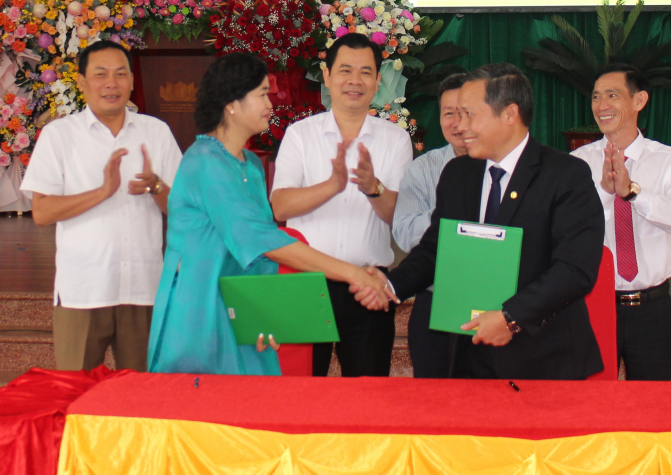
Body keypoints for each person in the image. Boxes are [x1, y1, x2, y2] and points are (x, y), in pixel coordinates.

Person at [147, 53, 397, 375]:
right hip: (202, 309)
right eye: (262, 94)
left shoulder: (249, 164)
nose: (270, 104)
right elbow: (263, 241)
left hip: (242, 310)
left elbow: (260, 257)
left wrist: (266, 316)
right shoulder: (205, 162)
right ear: (231, 104)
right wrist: (354, 273)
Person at [374, 63, 606, 380]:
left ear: (509, 114)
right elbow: (436, 249)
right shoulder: (458, 174)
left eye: (470, 115)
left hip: (544, 360)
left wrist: (511, 317)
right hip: (466, 356)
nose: (460, 126)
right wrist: (389, 286)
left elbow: (574, 270)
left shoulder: (566, 176)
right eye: (455, 115)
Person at [22, 41, 183, 372]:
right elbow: (42, 212)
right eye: (101, 74)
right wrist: (103, 191)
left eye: (121, 74)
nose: (112, 83)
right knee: (74, 397)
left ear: (132, 81)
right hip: (83, 289)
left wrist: (156, 186)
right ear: (81, 82)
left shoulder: (156, 132)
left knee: (140, 399)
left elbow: (183, 211)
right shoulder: (59, 135)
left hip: (143, 288)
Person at [271, 33, 413, 376]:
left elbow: (400, 217)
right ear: (327, 75)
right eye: (345, 70)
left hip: (368, 286)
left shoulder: (395, 139)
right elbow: (280, 207)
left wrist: (373, 188)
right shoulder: (300, 135)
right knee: (301, 392)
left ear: (378, 80)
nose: (355, 81)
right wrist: (331, 186)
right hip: (306, 283)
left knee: (367, 398)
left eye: (366, 72)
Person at [571, 64, 671, 381]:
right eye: (596, 97)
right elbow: (568, 227)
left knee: (654, 410)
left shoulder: (670, 161)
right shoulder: (577, 164)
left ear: (639, 100)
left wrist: (631, 193)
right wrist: (604, 191)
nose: (602, 106)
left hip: (652, 309)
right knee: (591, 406)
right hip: (593, 305)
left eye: (612, 95)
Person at [392, 73, 468, 377]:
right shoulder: (423, 169)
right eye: (449, 113)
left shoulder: (503, 167)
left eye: (466, 112)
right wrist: (450, 214)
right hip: (434, 299)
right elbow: (406, 233)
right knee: (432, 401)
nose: (458, 122)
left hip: (493, 303)